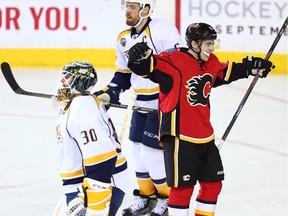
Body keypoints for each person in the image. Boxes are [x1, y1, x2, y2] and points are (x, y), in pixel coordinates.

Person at [126, 23, 275, 216]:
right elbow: (147, 67)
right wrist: (137, 58)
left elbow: (224, 72)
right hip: (179, 136)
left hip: (205, 136)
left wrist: (251, 68)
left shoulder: (210, 62)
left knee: (213, 184)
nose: (211, 48)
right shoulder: (172, 61)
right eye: (208, 44)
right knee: (182, 189)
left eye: (213, 43)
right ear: (194, 44)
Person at [94, 1, 185, 216]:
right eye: (126, 5)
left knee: (151, 154)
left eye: (133, 6)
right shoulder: (123, 37)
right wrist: (111, 91)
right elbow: (124, 74)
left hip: (162, 101)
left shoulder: (164, 30)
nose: (127, 10)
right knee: (135, 150)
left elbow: (178, 66)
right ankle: (146, 196)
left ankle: (167, 199)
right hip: (140, 102)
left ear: (146, 8)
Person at [54, 60, 129, 216]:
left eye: (67, 77)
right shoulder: (74, 104)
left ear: (80, 81)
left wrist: (95, 203)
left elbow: (101, 155)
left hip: (99, 185)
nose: (62, 81)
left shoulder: (82, 107)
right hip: (79, 187)